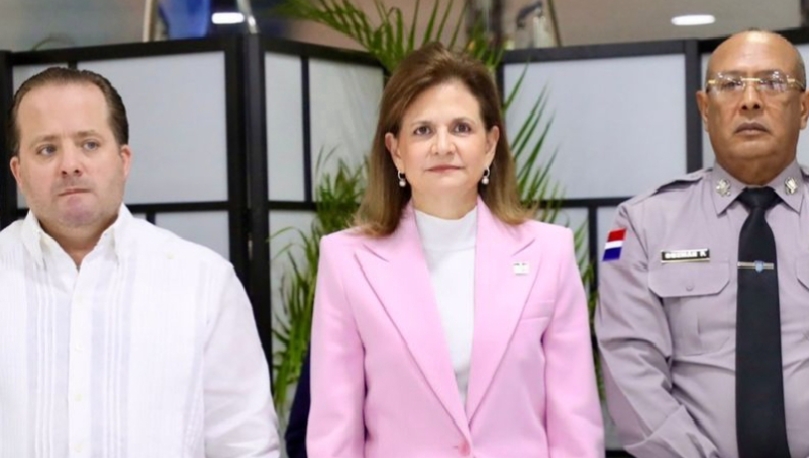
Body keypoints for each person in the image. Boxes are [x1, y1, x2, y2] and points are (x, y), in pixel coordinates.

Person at [306, 42, 603, 457]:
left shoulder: (549, 253)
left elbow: (576, 427)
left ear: (490, 143)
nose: (443, 146)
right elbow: (335, 434)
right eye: (422, 130)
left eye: (461, 128)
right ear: (395, 150)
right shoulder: (346, 261)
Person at [0, 67, 280, 457]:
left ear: (124, 160)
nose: (70, 165)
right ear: (18, 172)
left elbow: (244, 445)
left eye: (89, 144)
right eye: (47, 149)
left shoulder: (203, 282)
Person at [596, 29, 809, 458]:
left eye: (772, 82)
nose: (750, 100)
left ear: (803, 108)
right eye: (729, 84)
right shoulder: (640, 224)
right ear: (704, 110)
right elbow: (630, 368)